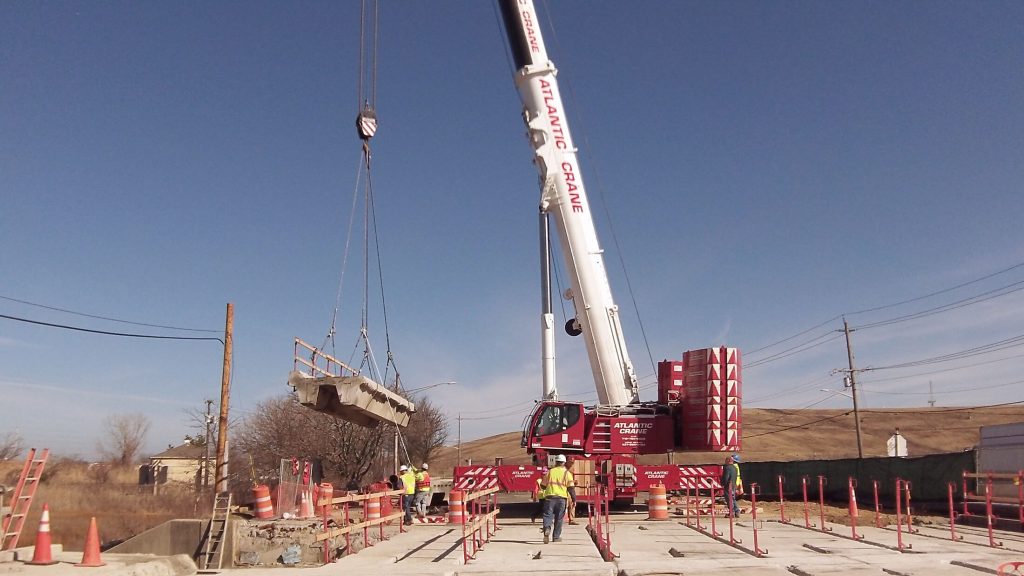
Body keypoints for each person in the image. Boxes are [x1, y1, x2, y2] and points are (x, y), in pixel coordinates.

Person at [539, 454, 575, 544]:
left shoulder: (550, 472)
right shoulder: (567, 473)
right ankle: (556, 537)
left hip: (550, 498)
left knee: (548, 515)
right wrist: (574, 499)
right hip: (561, 499)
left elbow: (542, 485)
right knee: (559, 518)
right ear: (563, 463)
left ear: (556, 462)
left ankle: (547, 528)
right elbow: (571, 488)